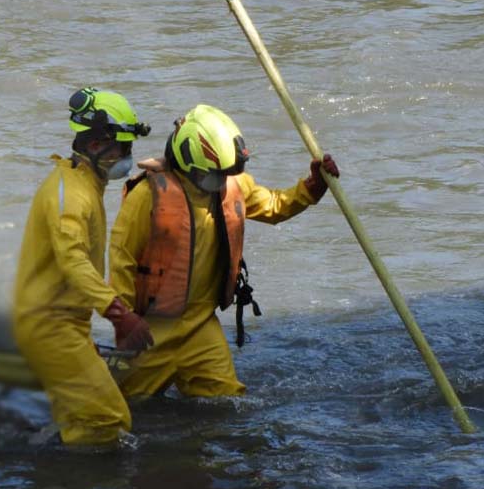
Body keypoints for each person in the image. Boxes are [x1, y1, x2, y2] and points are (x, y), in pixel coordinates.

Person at [108, 104, 339, 401]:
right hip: (152, 329)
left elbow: (274, 205)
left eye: (223, 176)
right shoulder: (147, 196)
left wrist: (312, 188)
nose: (218, 184)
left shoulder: (231, 185)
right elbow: (121, 259)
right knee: (121, 410)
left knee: (229, 404)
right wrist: (124, 320)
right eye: (212, 177)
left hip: (201, 328)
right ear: (186, 162)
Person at [12, 88, 155, 448]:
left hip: (64, 322)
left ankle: (57, 472)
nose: (127, 157)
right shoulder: (71, 194)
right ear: (96, 146)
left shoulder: (84, 184)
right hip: (48, 325)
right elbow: (72, 259)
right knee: (107, 418)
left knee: (84, 416)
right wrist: (119, 314)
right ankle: (81, 488)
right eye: (122, 148)